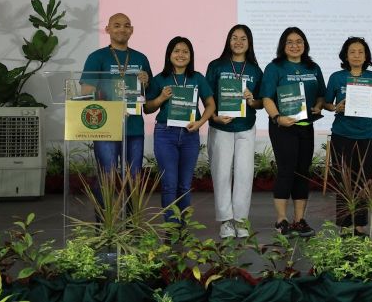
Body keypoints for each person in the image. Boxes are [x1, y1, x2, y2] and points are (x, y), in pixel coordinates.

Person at [80, 13, 152, 211]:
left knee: (134, 179)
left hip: (134, 128)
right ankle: (105, 229)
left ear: (132, 30)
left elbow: (148, 98)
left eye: (126, 25)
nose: (122, 29)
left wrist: (145, 82)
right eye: (117, 25)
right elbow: (86, 93)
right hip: (105, 128)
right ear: (108, 29)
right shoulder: (97, 57)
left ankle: (132, 228)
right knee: (107, 178)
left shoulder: (140, 58)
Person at [260, 27, 326, 237]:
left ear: (304, 44)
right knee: (286, 170)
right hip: (283, 127)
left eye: (299, 41)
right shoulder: (275, 67)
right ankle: (281, 220)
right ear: (283, 45)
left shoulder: (313, 67)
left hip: (306, 126)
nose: (295, 45)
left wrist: (318, 106)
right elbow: (267, 98)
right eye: (290, 42)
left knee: (302, 172)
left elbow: (321, 95)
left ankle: (299, 220)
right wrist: (277, 117)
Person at [145, 36, 216, 223]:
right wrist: (160, 98)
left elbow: (210, 105)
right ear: (169, 55)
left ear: (191, 56)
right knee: (169, 184)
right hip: (165, 134)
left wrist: (200, 123)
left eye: (185, 51)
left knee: (184, 185)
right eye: (176, 51)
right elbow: (147, 108)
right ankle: (171, 225)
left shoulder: (197, 78)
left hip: (190, 135)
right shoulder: (160, 79)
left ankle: (182, 224)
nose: (181, 55)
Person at [323, 37, 372, 236]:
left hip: (367, 135)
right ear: (346, 55)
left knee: (363, 181)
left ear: (366, 55)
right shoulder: (336, 77)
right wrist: (336, 107)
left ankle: (359, 225)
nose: (357, 55)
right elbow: (326, 103)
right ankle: (344, 224)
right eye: (352, 52)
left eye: (361, 52)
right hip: (342, 134)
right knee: (343, 180)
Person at [205, 25, 263, 239]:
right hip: (221, 127)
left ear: (249, 43)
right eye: (234, 38)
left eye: (243, 38)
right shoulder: (216, 66)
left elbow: (260, 103)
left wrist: (251, 99)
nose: (238, 42)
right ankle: (226, 221)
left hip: (246, 128)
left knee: (244, 174)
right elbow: (206, 97)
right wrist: (213, 117)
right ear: (228, 41)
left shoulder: (255, 70)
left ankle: (240, 219)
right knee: (221, 174)